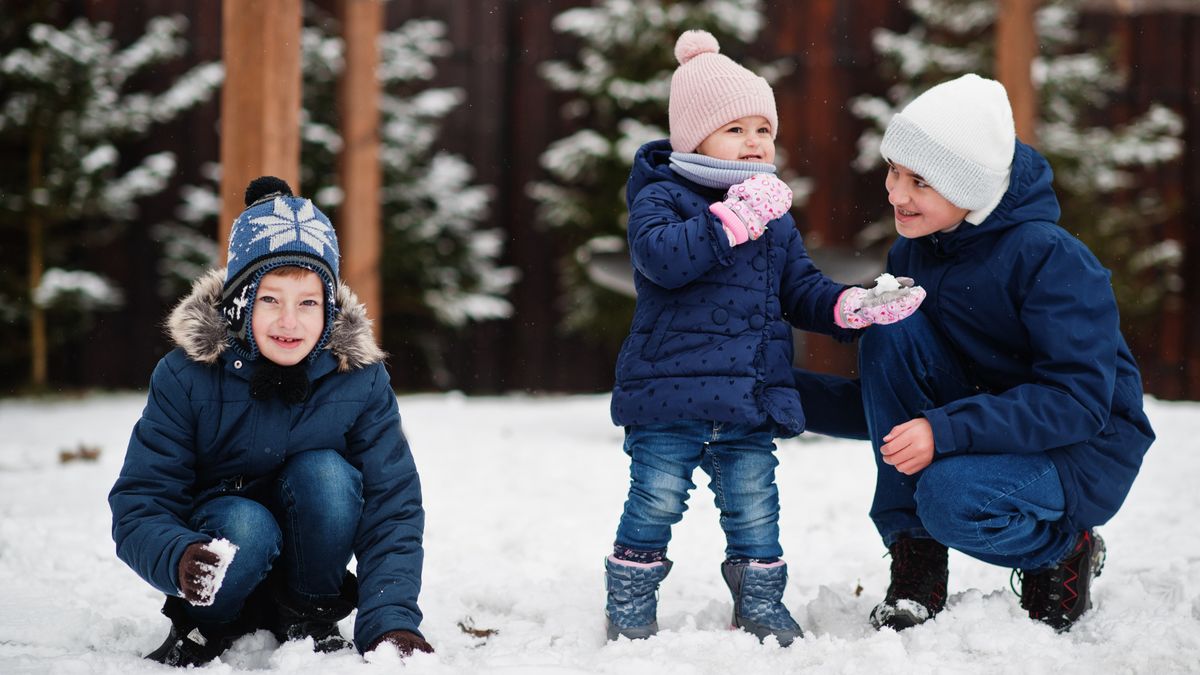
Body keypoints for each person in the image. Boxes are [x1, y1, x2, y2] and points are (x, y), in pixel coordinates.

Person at [603, 30, 925, 646]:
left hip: (748, 397)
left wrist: (850, 306)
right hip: (667, 398)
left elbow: (798, 288)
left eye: (764, 130)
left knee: (755, 508)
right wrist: (733, 217)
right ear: (693, 136)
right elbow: (663, 259)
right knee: (655, 502)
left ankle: (759, 603)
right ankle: (629, 599)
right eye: (736, 129)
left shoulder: (773, 213)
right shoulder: (661, 198)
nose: (755, 142)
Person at [843, 73, 1154, 633]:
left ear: (969, 189)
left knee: (949, 498)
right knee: (887, 329)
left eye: (919, 180)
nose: (895, 193)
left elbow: (1078, 403)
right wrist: (774, 399)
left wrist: (946, 429)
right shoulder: (915, 249)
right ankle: (916, 557)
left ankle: (1061, 549)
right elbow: (892, 395)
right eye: (893, 171)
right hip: (984, 419)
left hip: (1079, 446)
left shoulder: (1051, 259)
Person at [109, 177, 433, 666]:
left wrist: (390, 622)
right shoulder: (186, 375)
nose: (290, 322)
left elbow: (393, 506)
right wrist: (179, 558)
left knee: (327, 473)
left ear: (328, 307)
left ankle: (309, 617)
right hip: (222, 562)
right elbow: (141, 500)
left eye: (308, 303)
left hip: (312, 572)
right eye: (269, 300)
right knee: (246, 521)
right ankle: (205, 630)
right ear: (240, 302)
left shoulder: (359, 379)